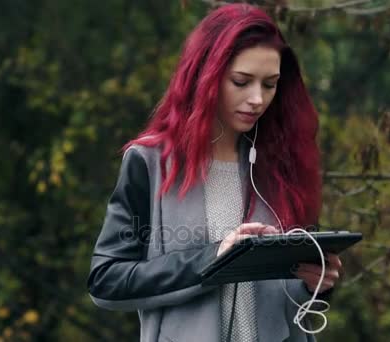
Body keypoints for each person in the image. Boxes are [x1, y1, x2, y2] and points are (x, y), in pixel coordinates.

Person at [87, 3, 343, 342]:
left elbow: (291, 296)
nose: (257, 99)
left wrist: (317, 283)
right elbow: (107, 280)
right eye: (241, 81)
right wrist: (215, 258)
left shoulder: (281, 162)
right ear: (205, 76)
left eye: (270, 84)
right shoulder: (149, 162)